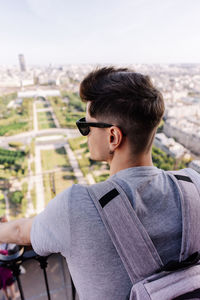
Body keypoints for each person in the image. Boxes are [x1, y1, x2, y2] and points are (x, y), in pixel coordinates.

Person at [0, 67, 199, 300]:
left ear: (113, 137)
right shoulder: (193, 184)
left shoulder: (77, 206)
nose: (85, 134)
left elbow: (19, 231)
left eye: (86, 126)